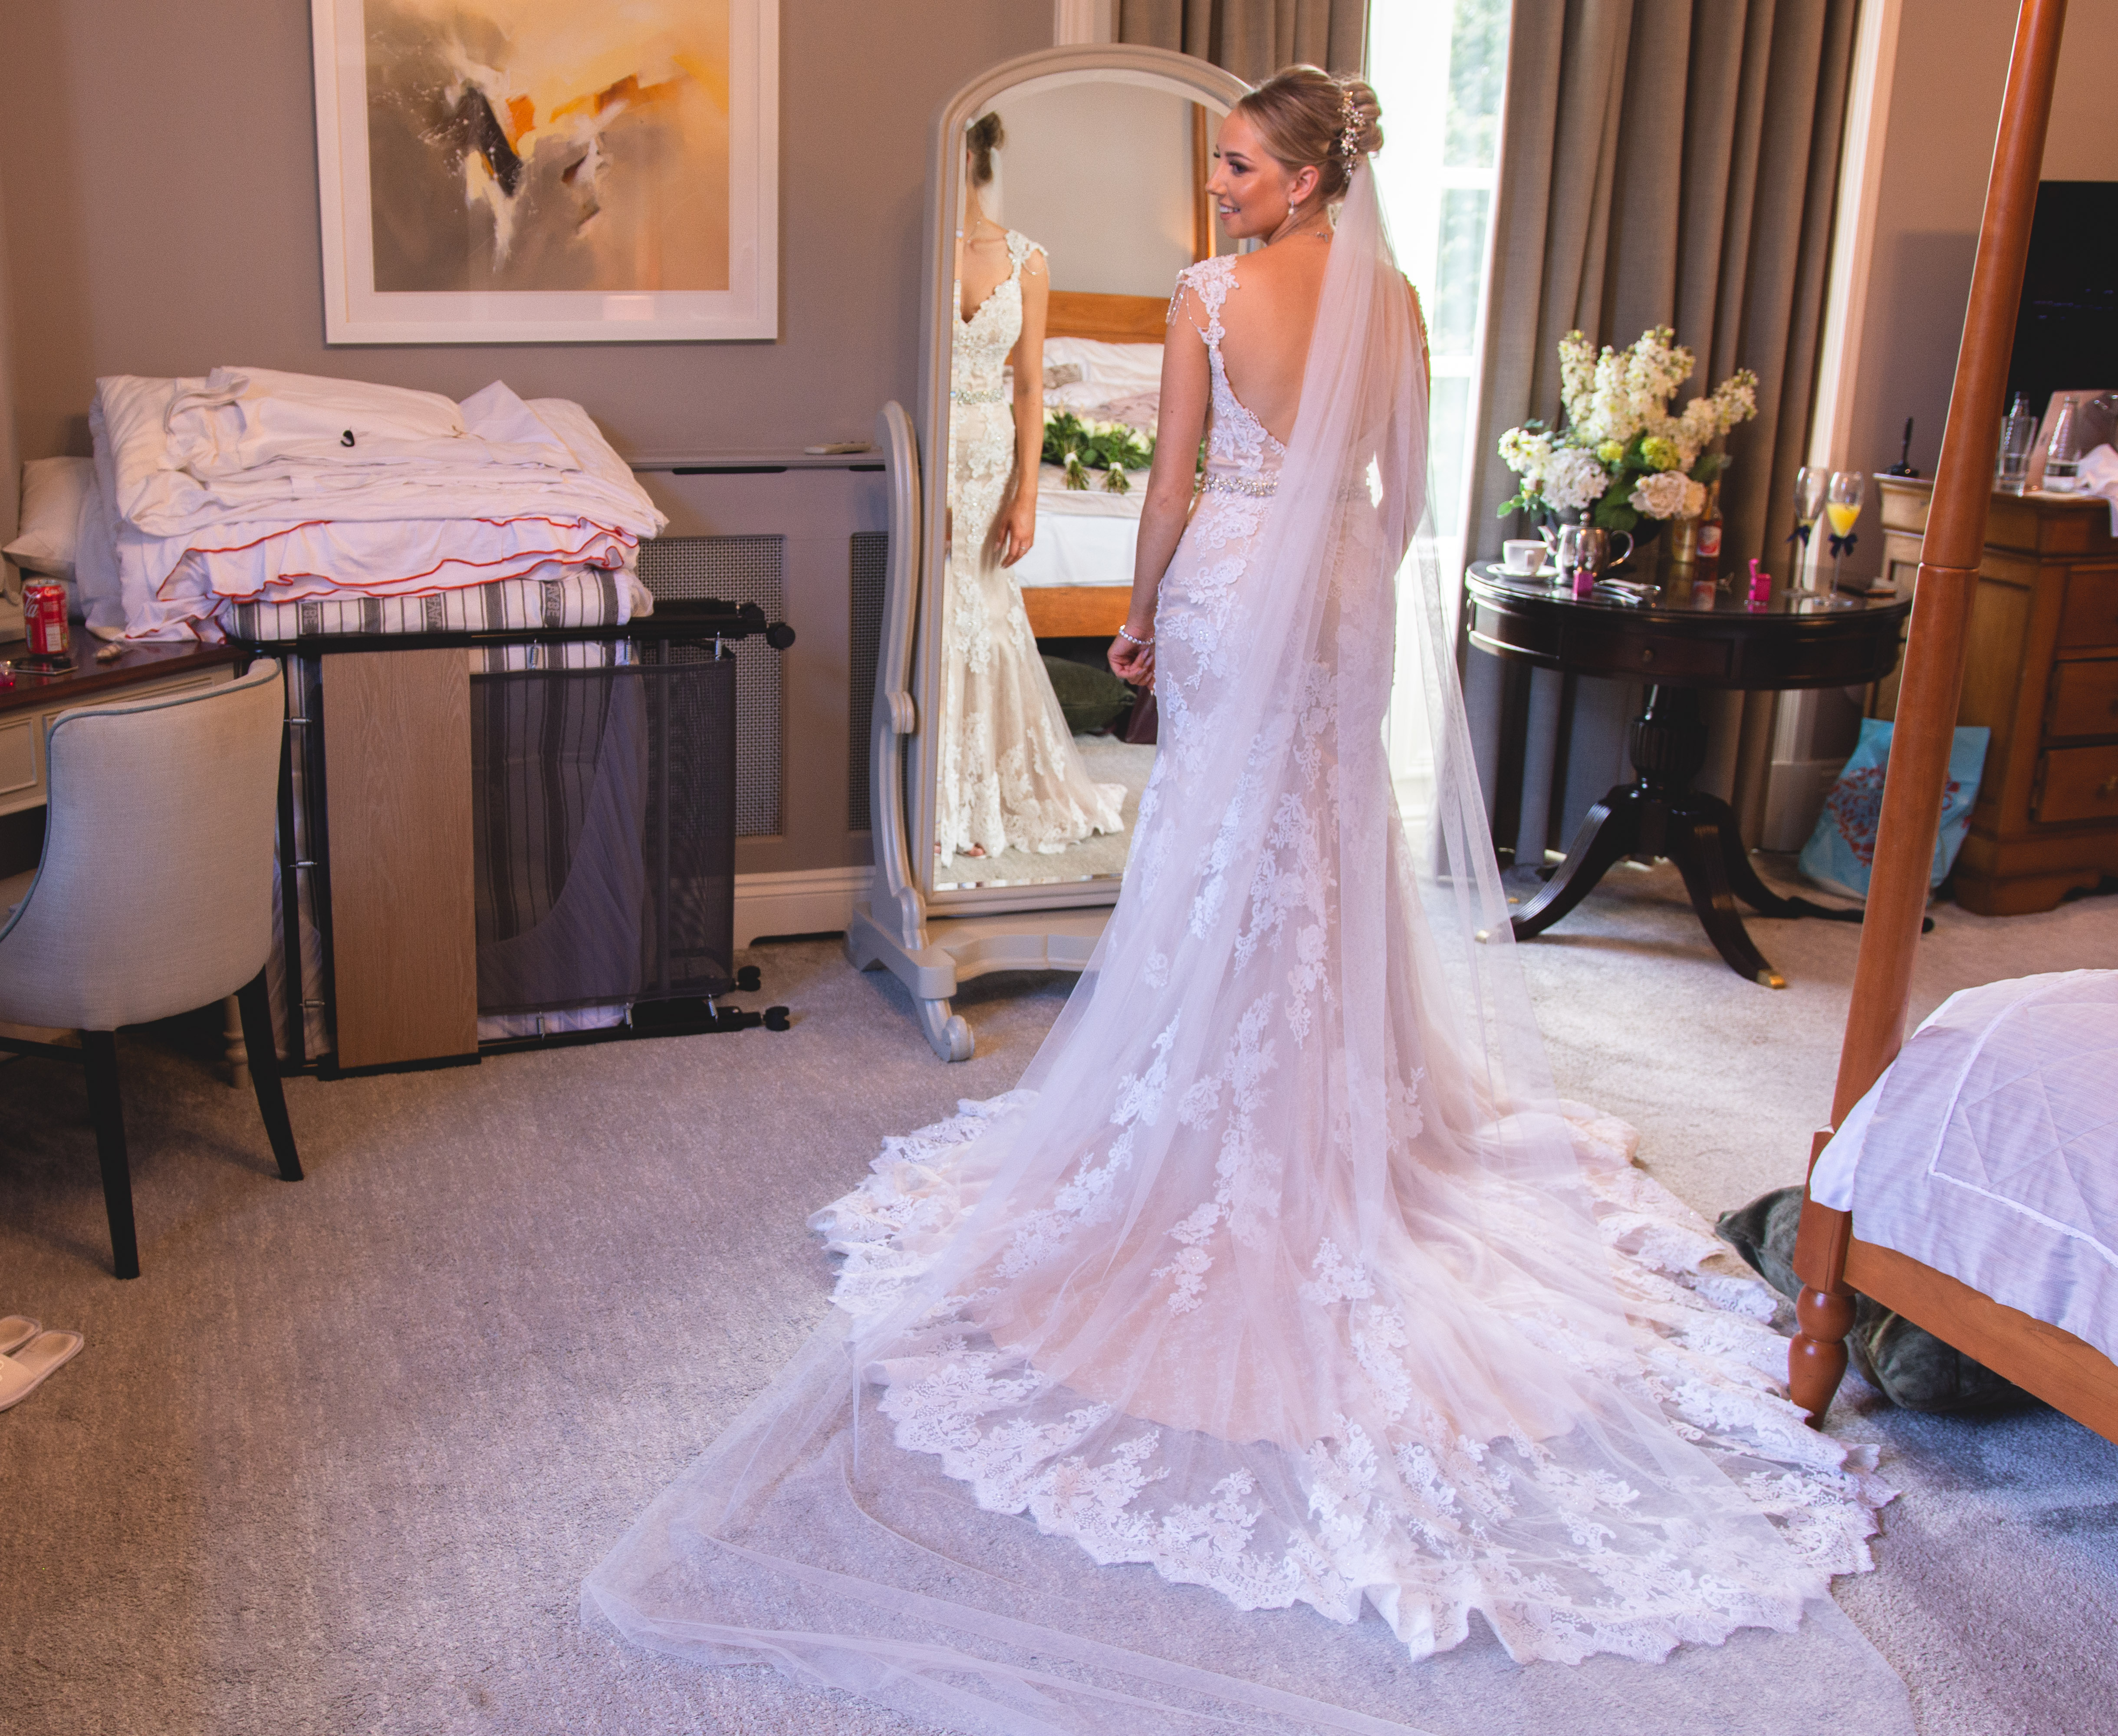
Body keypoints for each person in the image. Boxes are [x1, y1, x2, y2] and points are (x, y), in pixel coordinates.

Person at [586, 68, 1912, 1736]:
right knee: (1324, 839)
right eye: (1217, 165)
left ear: (1297, 177)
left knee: (1221, 842)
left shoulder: (1211, 297)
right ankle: (1339, 1095)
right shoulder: (1397, 300)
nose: (1215, 187)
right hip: (1343, 587)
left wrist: (1140, 611)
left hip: (1229, 575)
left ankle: (1211, 1094)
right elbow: (1405, 497)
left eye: (1234, 165)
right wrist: (1339, 558)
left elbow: (1170, 483)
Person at [937, 112, 1125, 865]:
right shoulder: (922, 253)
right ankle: (937, 795)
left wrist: (1027, 496)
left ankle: (987, 794)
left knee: (984, 614)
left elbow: (1029, 389)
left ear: (974, 155)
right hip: (932, 455)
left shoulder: (1028, 260)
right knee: (936, 617)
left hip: (991, 463)